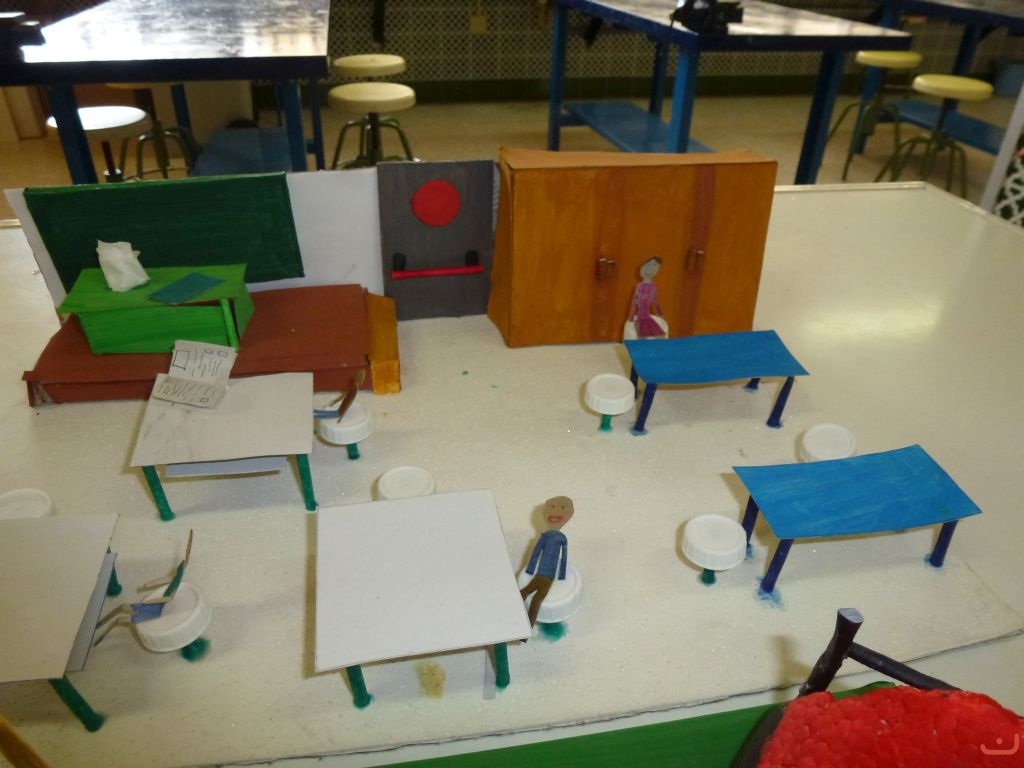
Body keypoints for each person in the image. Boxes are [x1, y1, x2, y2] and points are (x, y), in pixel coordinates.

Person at [520, 496, 574, 626]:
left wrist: (561, 575)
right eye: (553, 507)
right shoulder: (545, 536)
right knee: (527, 592)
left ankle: (527, 627)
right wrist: (531, 569)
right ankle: (510, 611)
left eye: (562, 507)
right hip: (542, 574)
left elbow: (564, 557)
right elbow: (536, 552)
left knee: (536, 599)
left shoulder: (562, 538)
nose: (556, 511)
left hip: (550, 577)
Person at [629, 256, 666, 339]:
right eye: (648, 265)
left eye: (654, 266)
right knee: (642, 338)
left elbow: (655, 302)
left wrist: (660, 314)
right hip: (641, 319)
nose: (650, 270)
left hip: (647, 318)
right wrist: (631, 317)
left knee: (661, 336)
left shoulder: (653, 287)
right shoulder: (639, 286)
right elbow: (634, 302)